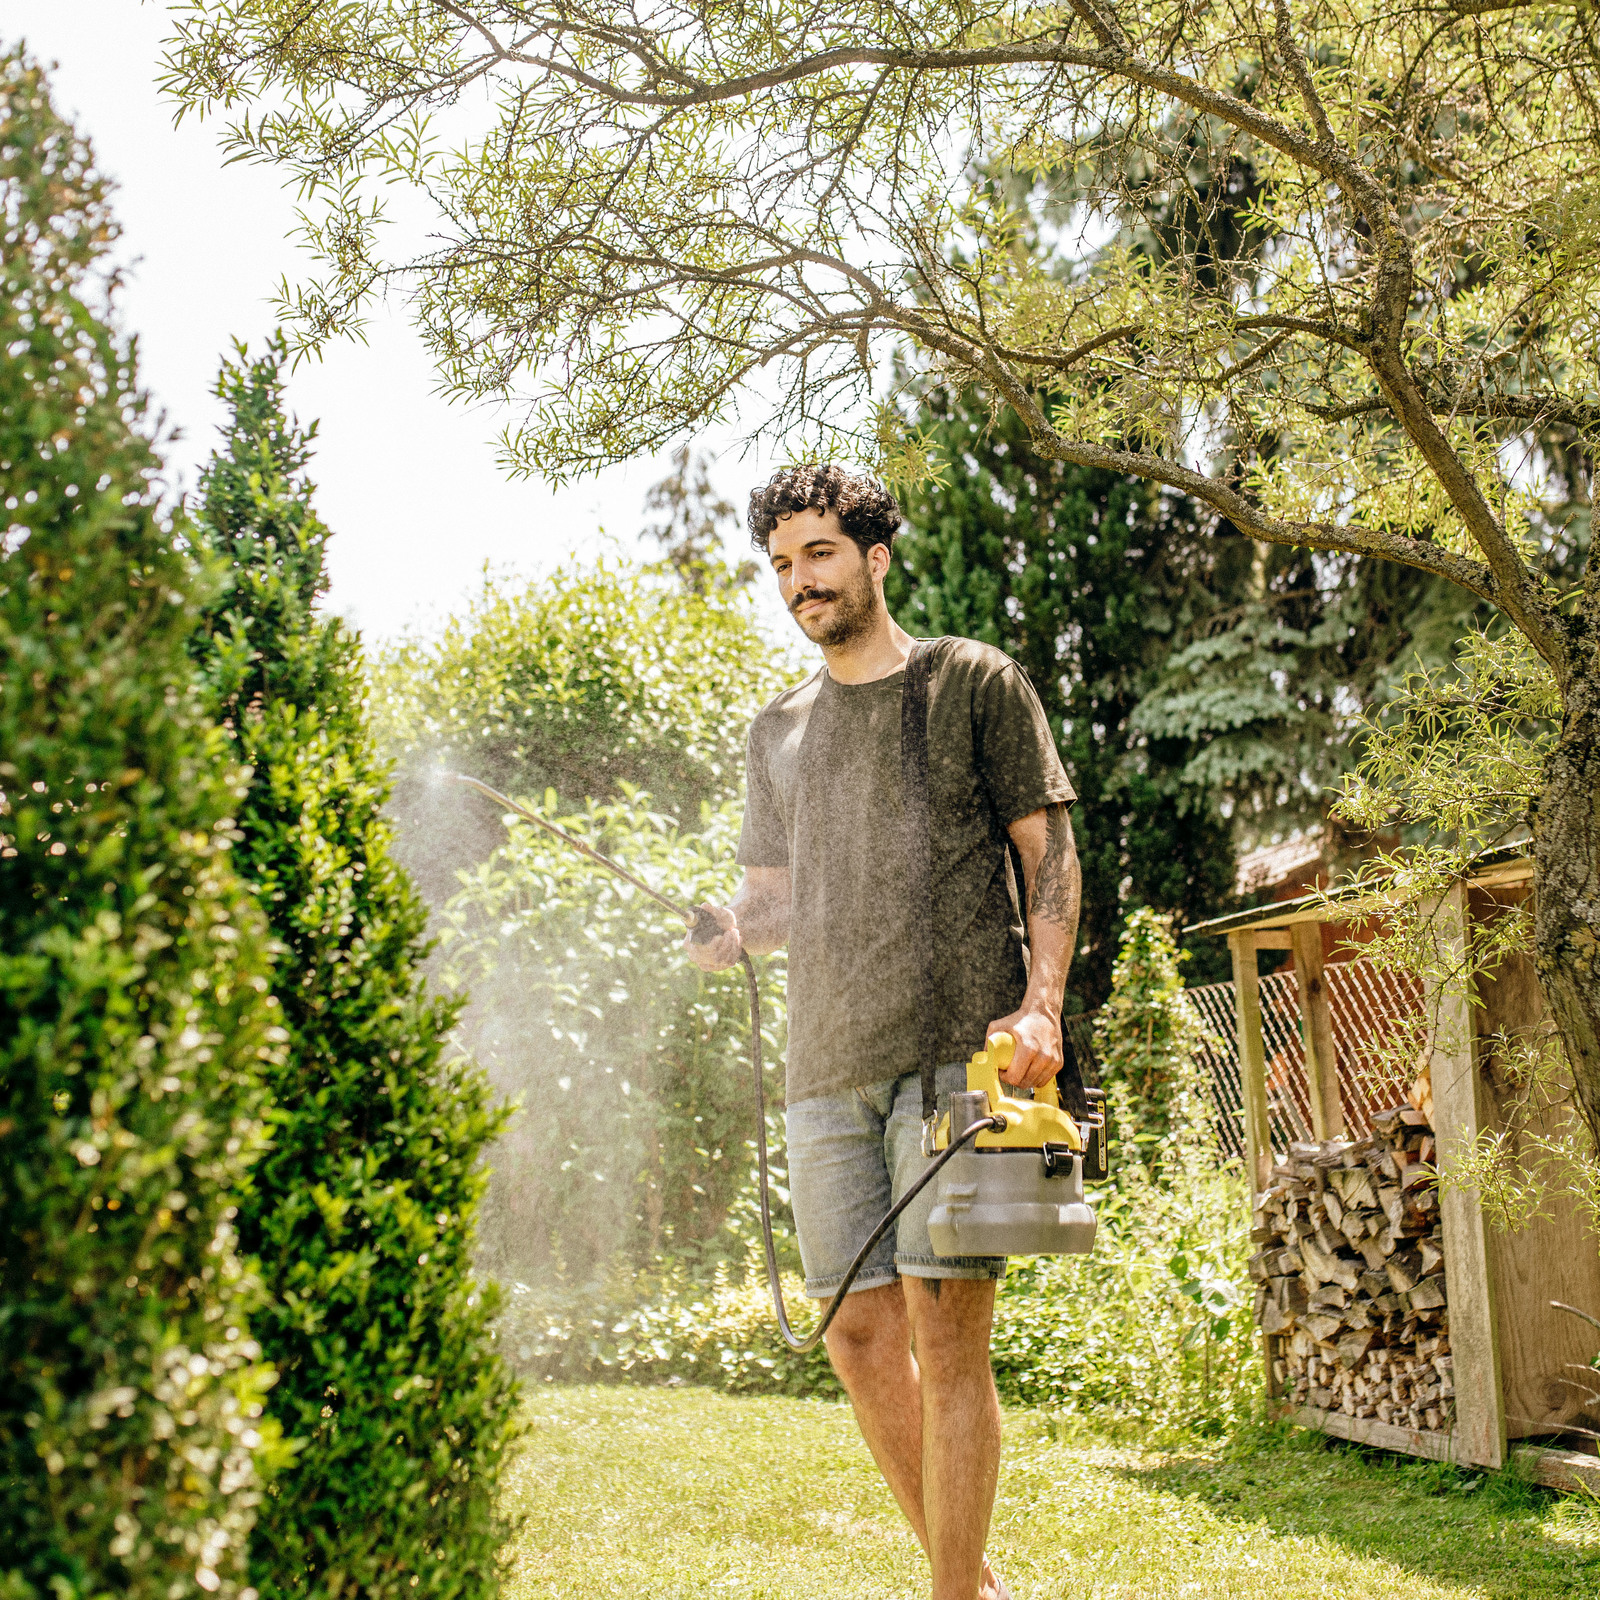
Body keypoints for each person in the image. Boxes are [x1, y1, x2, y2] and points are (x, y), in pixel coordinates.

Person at [686, 464, 1082, 1600]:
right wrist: (730, 926)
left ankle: (951, 1595)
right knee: (857, 1341)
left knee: (948, 1332)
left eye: (816, 553)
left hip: (964, 1058)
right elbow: (775, 900)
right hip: (822, 1069)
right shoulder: (777, 730)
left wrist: (1042, 1001)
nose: (797, 582)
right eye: (779, 565)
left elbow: (1047, 853)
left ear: (874, 557)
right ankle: (980, 1585)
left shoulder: (971, 681)